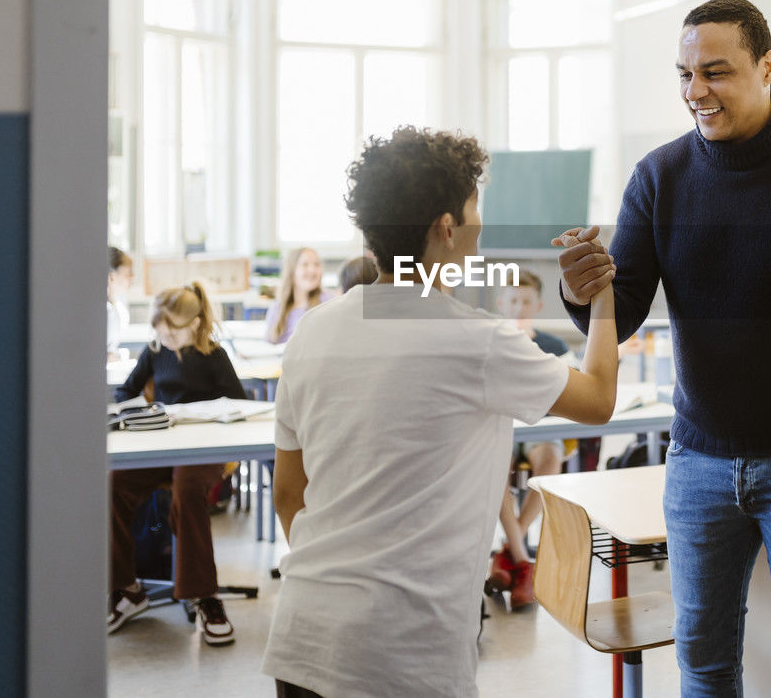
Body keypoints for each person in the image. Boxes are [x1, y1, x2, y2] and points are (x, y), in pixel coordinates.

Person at [261, 127, 620, 698]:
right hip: (401, 652)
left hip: (303, 636)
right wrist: (602, 295)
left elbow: (287, 494)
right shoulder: (477, 341)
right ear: (447, 226)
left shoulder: (313, 332)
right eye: (475, 203)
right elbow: (598, 398)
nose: (481, 219)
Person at [555, 0, 771, 697]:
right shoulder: (659, 177)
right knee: (704, 665)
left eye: (715, 72)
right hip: (699, 461)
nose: (695, 91)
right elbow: (622, 309)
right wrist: (584, 291)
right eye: (684, 74)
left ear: (767, 66)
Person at [107, 281, 247, 646]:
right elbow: (125, 390)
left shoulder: (214, 355)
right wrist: (140, 409)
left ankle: (203, 595)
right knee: (113, 482)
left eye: (172, 331)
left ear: (197, 324)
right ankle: (126, 588)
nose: (164, 338)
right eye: (160, 331)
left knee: (187, 490)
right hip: (161, 446)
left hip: (202, 450)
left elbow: (239, 403)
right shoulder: (155, 351)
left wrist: (211, 414)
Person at [487, 268, 576, 607]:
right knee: (495, 465)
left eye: (526, 300)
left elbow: (571, 390)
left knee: (550, 459)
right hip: (504, 429)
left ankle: (512, 549)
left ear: (538, 305)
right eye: (513, 300)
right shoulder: (492, 343)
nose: (519, 307)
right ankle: (524, 560)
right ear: (501, 304)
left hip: (544, 428)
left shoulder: (555, 346)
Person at [264, 247, 333, 344]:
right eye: (305, 264)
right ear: (292, 271)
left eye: (317, 264)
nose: (312, 270)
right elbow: (269, 342)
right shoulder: (278, 306)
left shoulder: (329, 303)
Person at [107, 246, 133, 362]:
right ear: (111, 277)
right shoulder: (106, 310)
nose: (132, 277)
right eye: (128, 273)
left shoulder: (114, 307)